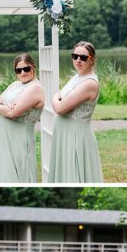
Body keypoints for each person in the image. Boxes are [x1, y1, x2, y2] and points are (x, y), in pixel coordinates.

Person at [48, 41, 102, 182]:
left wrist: (54, 97)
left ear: (92, 60)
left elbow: (59, 108)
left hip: (76, 136)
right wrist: (58, 97)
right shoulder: (77, 77)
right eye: (75, 56)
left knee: (74, 173)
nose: (78, 60)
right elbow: (62, 97)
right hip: (64, 133)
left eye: (83, 57)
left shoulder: (89, 83)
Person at [0, 53, 44, 182]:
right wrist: (5, 107)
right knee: (4, 171)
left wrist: (4, 108)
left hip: (19, 138)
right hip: (4, 137)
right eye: (18, 70)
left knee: (20, 172)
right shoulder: (15, 85)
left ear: (33, 67)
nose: (23, 73)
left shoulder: (35, 88)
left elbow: (13, 113)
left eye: (26, 69)